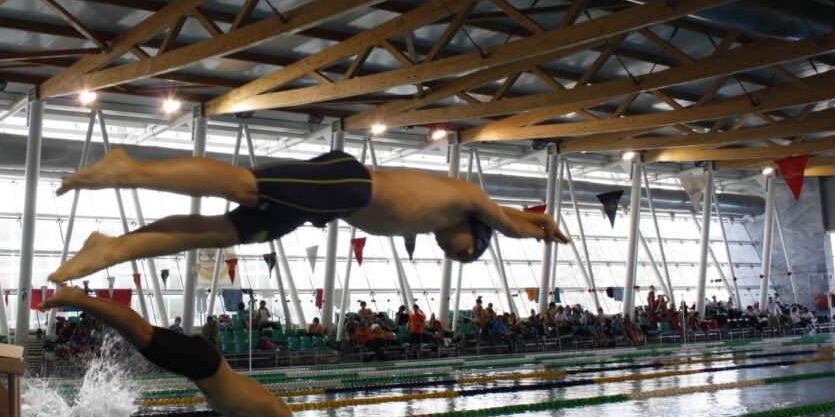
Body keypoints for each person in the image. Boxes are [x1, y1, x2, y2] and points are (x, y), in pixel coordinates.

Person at [49, 148, 568, 283]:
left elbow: (511, 220)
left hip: (330, 204)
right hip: (347, 184)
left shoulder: (443, 215)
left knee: (225, 231)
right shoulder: (468, 198)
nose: (451, 253)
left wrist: (526, 220)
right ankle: (127, 170)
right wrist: (537, 226)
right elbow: (512, 225)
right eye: (464, 251)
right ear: (475, 233)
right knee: (245, 186)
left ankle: (113, 249)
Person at [40, 286, 309, 417]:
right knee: (141, 332)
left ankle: (86, 302)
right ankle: (81, 299)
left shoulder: (256, 416)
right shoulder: (277, 414)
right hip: (202, 363)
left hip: (198, 365)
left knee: (137, 336)